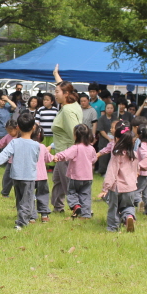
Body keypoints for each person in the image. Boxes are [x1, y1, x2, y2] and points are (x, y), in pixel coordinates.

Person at [0, 112, 40, 230]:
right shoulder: (36, 145)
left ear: (18, 127)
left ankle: (27, 218)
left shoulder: (14, 142)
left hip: (16, 176)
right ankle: (22, 222)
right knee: (27, 198)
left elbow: (5, 154)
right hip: (29, 176)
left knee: (21, 199)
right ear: (33, 127)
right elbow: (37, 159)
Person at [50, 65, 83, 213]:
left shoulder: (68, 111)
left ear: (66, 94)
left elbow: (74, 134)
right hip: (61, 152)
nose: (54, 95)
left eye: (57, 92)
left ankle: (77, 207)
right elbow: (65, 87)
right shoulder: (72, 104)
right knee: (57, 181)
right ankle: (58, 207)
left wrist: (78, 154)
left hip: (66, 153)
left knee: (67, 183)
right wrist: (56, 75)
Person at [98, 122, 139, 233]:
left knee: (114, 208)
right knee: (129, 206)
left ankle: (112, 227)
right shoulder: (134, 154)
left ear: (117, 139)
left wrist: (105, 188)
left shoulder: (117, 154)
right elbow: (136, 170)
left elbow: (112, 172)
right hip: (130, 187)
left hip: (117, 187)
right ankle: (129, 217)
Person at [50, 123, 96, 219]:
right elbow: (94, 159)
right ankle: (86, 215)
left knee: (71, 192)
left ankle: (76, 206)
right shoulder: (91, 148)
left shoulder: (76, 148)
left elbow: (65, 155)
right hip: (88, 177)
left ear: (75, 136)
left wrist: (57, 157)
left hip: (75, 177)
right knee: (86, 196)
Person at [0, 119, 19, 197]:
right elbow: (0, 143)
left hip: (19, 163)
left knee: (18, 180)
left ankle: (19, 194)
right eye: (8, 131)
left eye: (11, 131)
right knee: (7, 179)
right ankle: (5, 193)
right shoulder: (8, 136)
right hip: (10, 162)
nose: (9, 133)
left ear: (17, 128)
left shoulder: (21, 137)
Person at [30, 124, 52, 222]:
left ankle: (32, 216)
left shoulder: (27, 145)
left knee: (30, 195)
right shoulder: (42, 147)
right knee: (43, 195)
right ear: (40, 135)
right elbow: (48, 158)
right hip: (42, 177)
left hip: (30, 177)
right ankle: (44, 215)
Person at [133, 124, 147, 211]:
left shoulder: (141, 145)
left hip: (141, 171)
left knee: (137, 190)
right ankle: (145, 205)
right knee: (145, 191)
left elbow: (145, 156)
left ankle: (139, 202)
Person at [96, 103, 115, 175]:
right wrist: (109, 138)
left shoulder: (115, 118)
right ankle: (102, 171)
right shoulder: (101, 118)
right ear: (105, 109)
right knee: (103, 156)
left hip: (114, 139)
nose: (109, 110)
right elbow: (101, 130)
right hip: (104, 140)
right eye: (108, 108)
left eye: (111, 108)